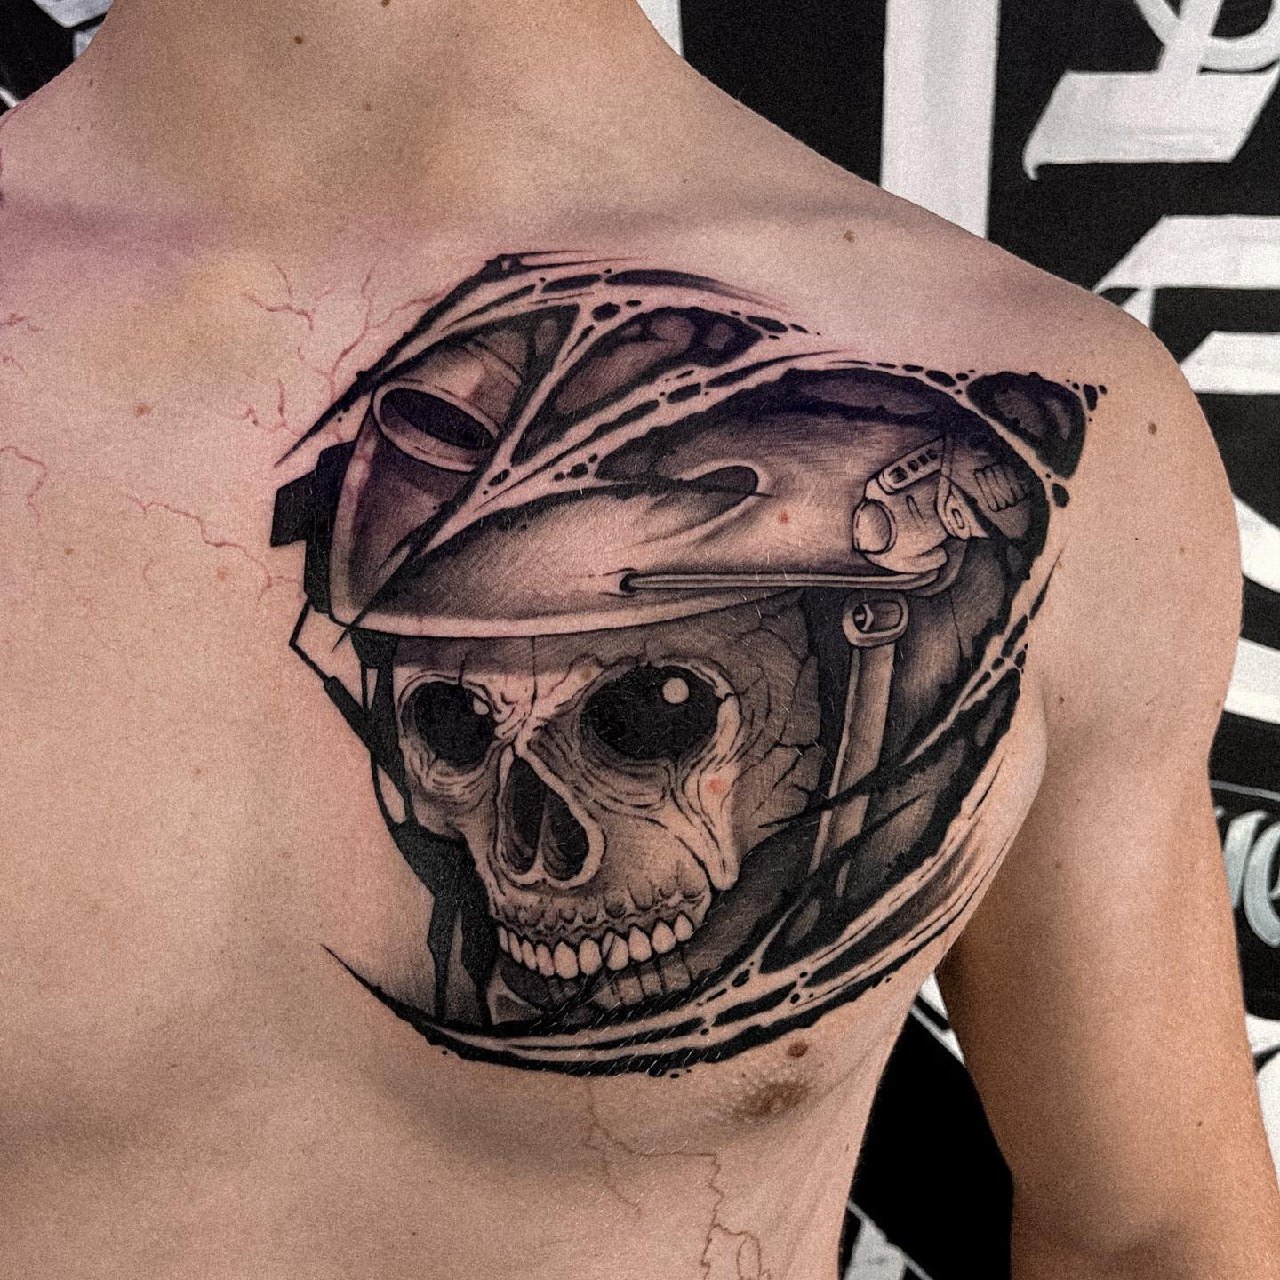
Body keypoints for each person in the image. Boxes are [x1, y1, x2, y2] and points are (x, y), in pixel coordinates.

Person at [1, 1, 1277, 1276]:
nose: (530, 848)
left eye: (649, 709)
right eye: (450, 725)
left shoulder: (1060, 436)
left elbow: (1152, 1240)